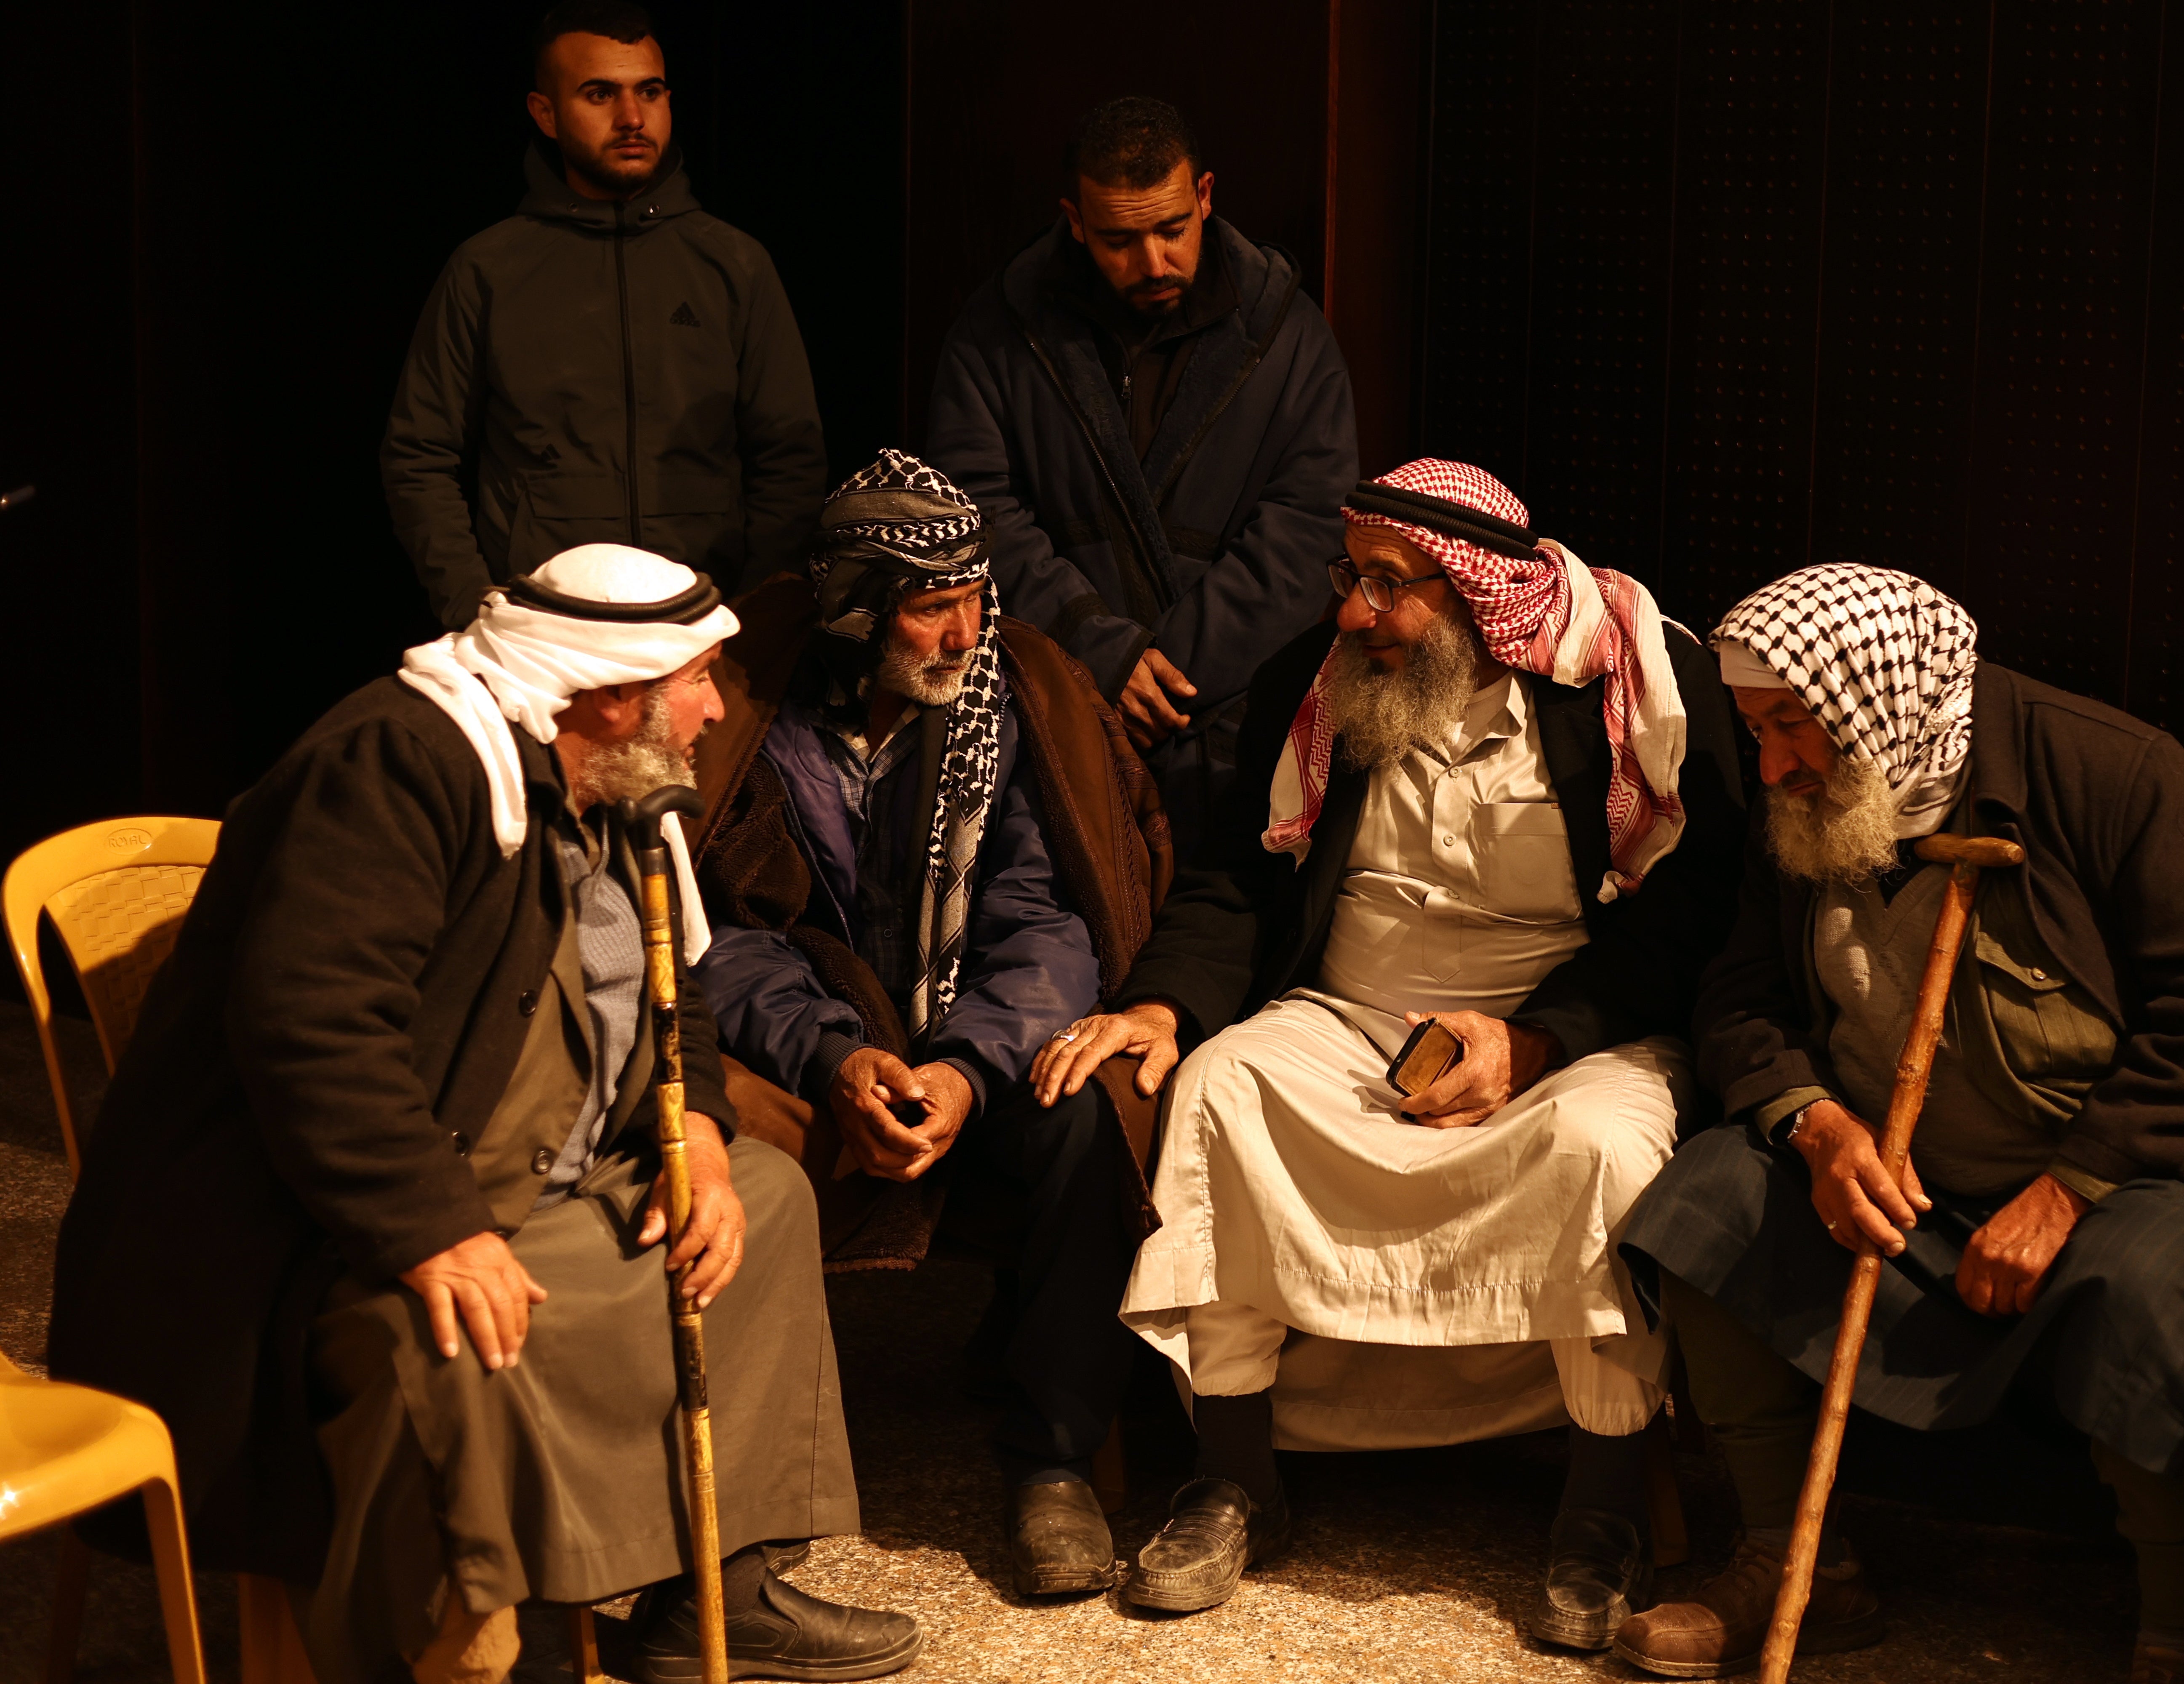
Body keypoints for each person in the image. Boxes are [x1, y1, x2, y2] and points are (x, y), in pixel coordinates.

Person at [48, 548, 917, 1684]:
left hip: (544, 1164)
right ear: (613, 694)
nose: (718, 710)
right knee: (454, 1339)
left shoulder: (615, 787)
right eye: (701, 679)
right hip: (321, 1223)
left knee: (763, 1195)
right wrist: (434, 1229)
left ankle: (718, 1586)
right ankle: (453, 1650)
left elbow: (675, 991)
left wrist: (698, 1130)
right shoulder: (398, 768)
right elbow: (313, 1024)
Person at [1032, 459, 1747, 1646]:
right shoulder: (1319, 689)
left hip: (1566, 1029)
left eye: (1386, 583)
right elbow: (1241, 881)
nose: (1351, 612)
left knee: (1601, 1142)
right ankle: (1232, 1478)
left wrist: (1534, 1042)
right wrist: (1164, 1005)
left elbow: (1688, 921)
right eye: (1348, 576)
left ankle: (1602, 1509)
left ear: (1479, 596)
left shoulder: (1619, 695)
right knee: (1219, 1090)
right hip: (1350, 1016)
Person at [1612, 564, 2184, 1684]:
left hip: (2116, 1176)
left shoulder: (2113, 772)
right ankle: (1799, 1566)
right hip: (1893, 1184)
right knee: (1711, 1192)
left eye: (1791, 725)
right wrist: (1815, 1125)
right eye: (1756, 730)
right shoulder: (1806, 800)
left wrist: (2072, 1189)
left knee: (2148, 1281)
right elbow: (1740, 997)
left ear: (1876, 698)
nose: (1773, 765)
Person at [691, 451, 1171, 1598]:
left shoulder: (1016, 702)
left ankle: (1053, 1459)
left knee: (1090, 1111)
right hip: (806, 1049)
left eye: (973, 598)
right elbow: (730, 929)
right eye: (930, 607)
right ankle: (743, 1505)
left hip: (979, 1040)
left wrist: (963, 1067)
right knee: (710, 1131)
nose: (964, 632)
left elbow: (1048, 917)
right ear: (859, 607)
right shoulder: (757, 707)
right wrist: (833, 1053)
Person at [926, 95, 1357, 863]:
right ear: (1075, 220)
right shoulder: (1000, 332)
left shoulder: (1287, 334)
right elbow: (975, 512)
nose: (1154, 263)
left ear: (1205, 195)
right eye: (1120, 240)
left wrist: (1169, 675)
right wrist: (1100, 653)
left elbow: (1308, 525)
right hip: (1055, 714)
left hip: (1233, 727)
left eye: (1172, 230)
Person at [382, 0, 824, 629]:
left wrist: (752, 618)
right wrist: (474, 607)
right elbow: (419, 455)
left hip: (704, 631)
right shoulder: (487, 269)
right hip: (539, 636)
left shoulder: (735, 263)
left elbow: (791, 457)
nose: (633, 117)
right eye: (600, 94)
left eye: (650, 91)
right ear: (546, 113)